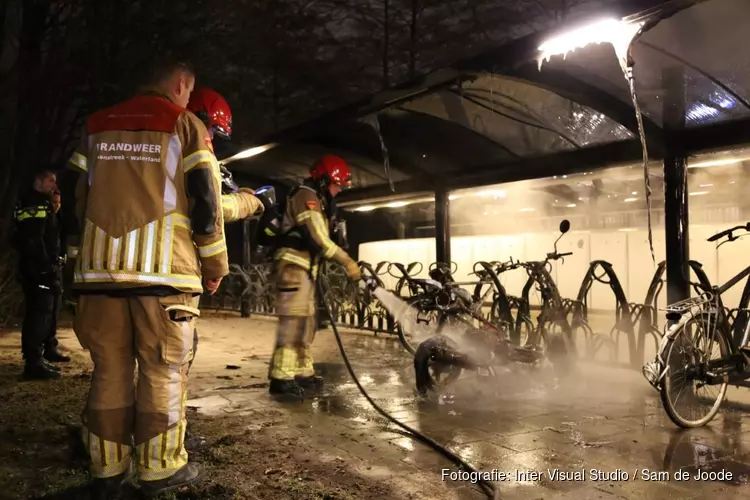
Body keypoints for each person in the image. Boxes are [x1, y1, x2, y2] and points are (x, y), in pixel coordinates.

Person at [64, 58, 228, 497]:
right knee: (163, 371)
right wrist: (213, 268)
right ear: (180, 83)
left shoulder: (95, 126)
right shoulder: (186, 125)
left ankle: (106, 470)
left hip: (98, 275)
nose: (189, 99)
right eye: (189, 92)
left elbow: (76, 198)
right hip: (163, 276)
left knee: (108, 371)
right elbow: (206, 204)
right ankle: (160, 469)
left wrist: (75, 264)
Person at [268, 154, 361, 397]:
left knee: (307, 324)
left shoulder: (318, 198)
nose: (338, 190)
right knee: (293, 324)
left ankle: (302, 372)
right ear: (322, 180)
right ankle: (282, 378)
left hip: (306, 271)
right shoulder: (305, 196)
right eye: (336, 185)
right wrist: (347, 261)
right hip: (292, 270)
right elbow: (318, 238)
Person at [13, 170, 69, 380]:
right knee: (39, 313)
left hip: (43, 266)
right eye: (50, 181)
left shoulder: (44, 204)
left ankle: (42, 355)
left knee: (47, 311)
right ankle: (33, 364)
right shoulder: (33, 203)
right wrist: (44, 267)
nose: (54, 185)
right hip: (37, 268)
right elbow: (33, 238)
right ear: (38, 181)